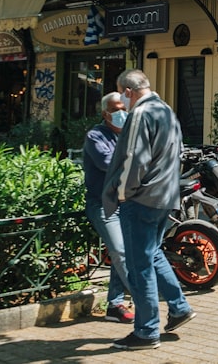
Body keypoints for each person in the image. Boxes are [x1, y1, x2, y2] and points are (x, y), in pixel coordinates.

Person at [102, 69, 195, 350]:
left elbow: (134, 160)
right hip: (165, 196)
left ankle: (146, 331)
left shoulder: (140, 114)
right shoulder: (167, 110)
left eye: (122, 94)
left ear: (128, 92)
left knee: (139, 266)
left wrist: (122, 195)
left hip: (141, 199)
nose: (122, 101)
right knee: (152, 254)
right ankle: (179, 308)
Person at [83, 92, 134, 324]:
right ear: (105, 113)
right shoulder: (95, 135)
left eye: (124, 108)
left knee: (125, 252)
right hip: (103, 205)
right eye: (116, 109)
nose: (121, 113)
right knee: (120, 251)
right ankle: (143, 296)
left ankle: (114, 304)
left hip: (128, 202)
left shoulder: (130, 135)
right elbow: (106, 163)